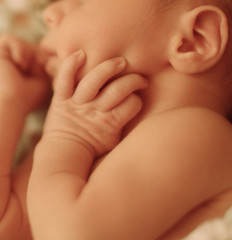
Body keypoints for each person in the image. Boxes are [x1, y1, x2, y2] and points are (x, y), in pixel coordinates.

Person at [1, 0, 232, 239]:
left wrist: (66, 139)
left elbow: (69, 235)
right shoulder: (81, 135)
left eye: (82, 1)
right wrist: (9, 100)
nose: (49, 12)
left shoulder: (197, 134)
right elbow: (10, 227)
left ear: (193, 40)